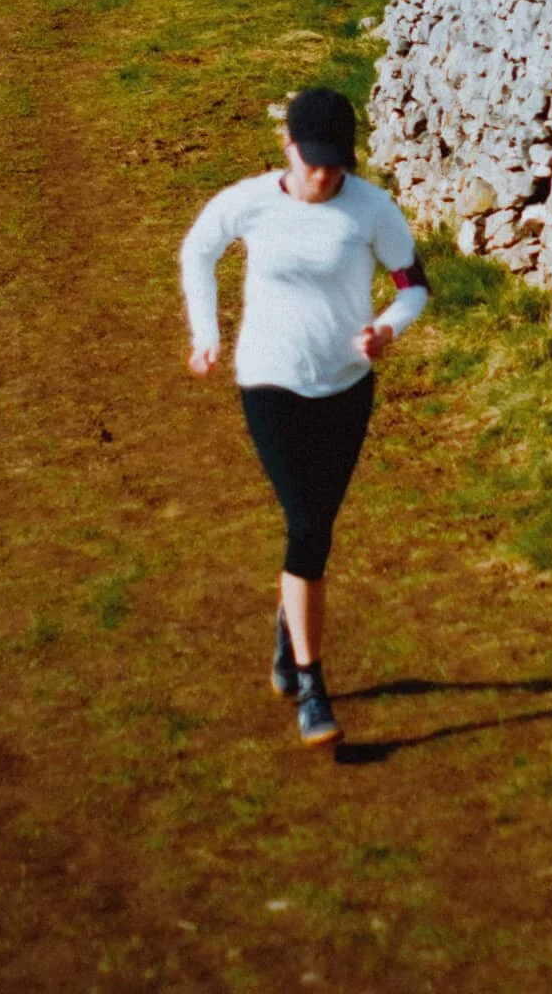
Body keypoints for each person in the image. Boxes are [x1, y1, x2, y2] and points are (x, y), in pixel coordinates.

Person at [180, 86, 429, 747]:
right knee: (307, 525)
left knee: (314, 533)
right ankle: (313, 687)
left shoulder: (372, 208)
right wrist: (206, 332)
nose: (324, 174)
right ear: (287, 148)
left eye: (335, 162)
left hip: (347, 387)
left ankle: (289, 625)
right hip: (269, 381)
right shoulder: (249, 202)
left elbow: (414, 286)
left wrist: (386, 329)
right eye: (313, 160)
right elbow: (197, 251)